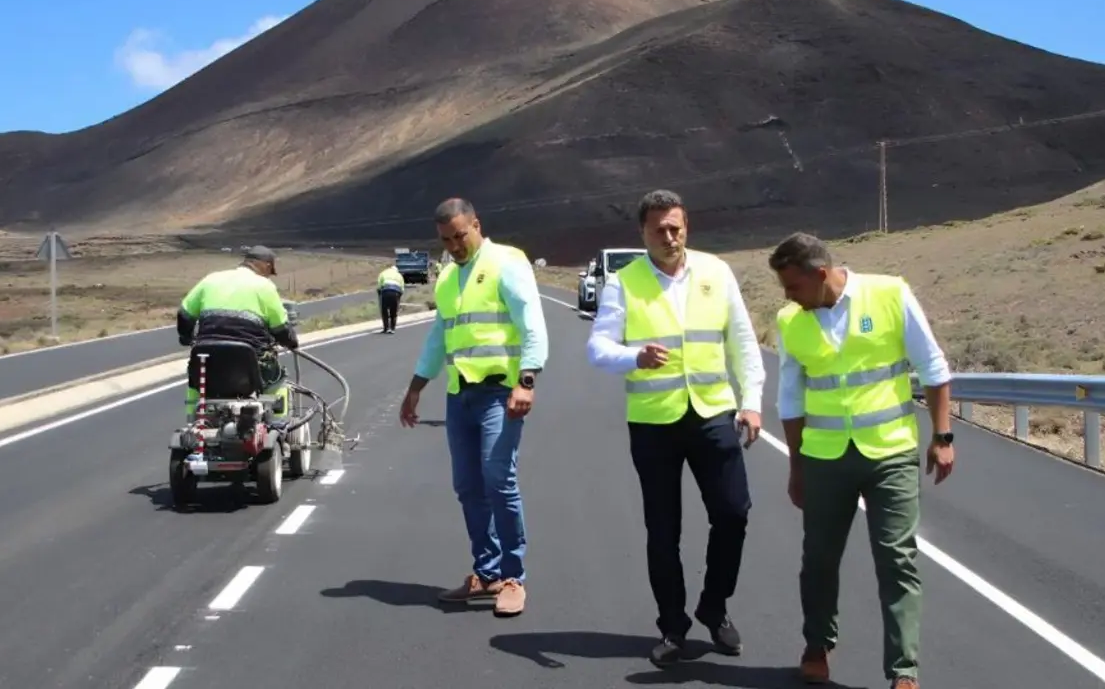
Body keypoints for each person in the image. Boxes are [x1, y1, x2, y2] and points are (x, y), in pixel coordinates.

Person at [586, 189, 766, 668]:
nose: (670, 237)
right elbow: (598, 348)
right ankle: (673, 625)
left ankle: (714, 605)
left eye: (677, 227)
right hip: (654, 422)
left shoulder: (716, 272)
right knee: (663, 531)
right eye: (660, 229)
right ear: (642, 233)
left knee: (733, 513)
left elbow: (743, 344)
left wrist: (751, 403)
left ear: (687, 226)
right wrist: (634, 356)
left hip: (711, 413)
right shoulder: (624, 284)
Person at [768, 232, 956, 689]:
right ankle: (818, 644)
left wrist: (942, 435)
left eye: (792, 286)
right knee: (819, 559)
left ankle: (903, 671)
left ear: (820, 274)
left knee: (897, 559)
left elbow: (932, 365)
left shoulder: (890, 293)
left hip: (889, 452)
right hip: (825, 459)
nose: (787, 297)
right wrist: (796, 468)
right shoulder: (791, 321)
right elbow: (790, 400)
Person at [399, 197, 549, 618]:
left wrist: (527, 380)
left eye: (460, 236)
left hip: (501, 393)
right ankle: (486, 573)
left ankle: (513, 576)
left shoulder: (506, 262)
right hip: (460, 395)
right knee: (468, 486)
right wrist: (415, 388)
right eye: (446, 240)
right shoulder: (447, 277)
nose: (455, 246)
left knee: (499, 479)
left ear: (477, 225)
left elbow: (531, 322)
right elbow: (439, 337)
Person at [176, 245, 299, 419]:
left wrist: (186, 337)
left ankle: (192, 421)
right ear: (267, 265)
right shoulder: (265, 286)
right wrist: (291, 342)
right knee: (278, 380)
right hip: (249, 361)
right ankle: (279, 426)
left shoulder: (211, 279)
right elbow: (280, 328)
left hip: (208, 357)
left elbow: (184, 314)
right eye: (271, 270)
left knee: (195, 382)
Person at [377, 263, 406, 333]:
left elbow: (379, 286)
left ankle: (386, 328)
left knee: (384, 311)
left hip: (385, 292)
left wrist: (379, 294)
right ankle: (392, 328)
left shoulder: (383, 273)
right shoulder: (399, 275)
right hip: (395, 293)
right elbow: (402, 289)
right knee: (393, 312)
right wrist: (398, 298)